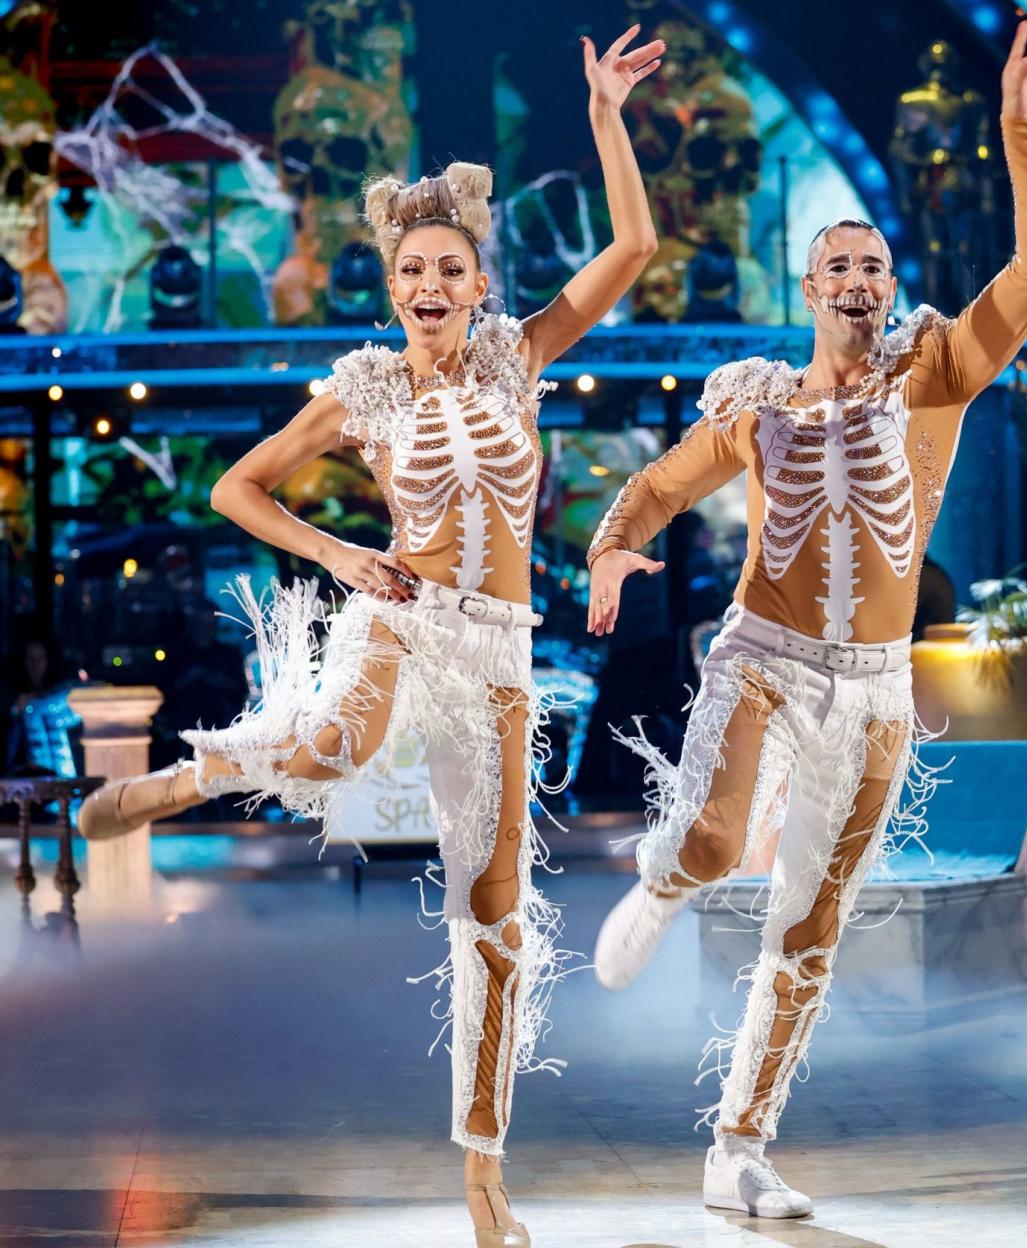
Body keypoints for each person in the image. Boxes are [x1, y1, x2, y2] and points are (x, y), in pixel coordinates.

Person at [79, 26, 662, 1248]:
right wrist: (342, 555)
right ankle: (202, 773)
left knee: (496, 915)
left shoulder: (522, 356)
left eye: (449, 268)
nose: (430, 288)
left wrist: (605, 115)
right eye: (411, 275)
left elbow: (636, 248)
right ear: (394, 287)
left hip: (499, 649)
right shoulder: (367, 388)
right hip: (403, 616)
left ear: (480, 278)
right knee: (340, 745)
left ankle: (483, 1169)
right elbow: (238, 488)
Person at [585, 21, 1027, 1220]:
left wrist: (1018, 133)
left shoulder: (935, 372)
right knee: (712, 846)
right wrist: (609, 547)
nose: (860, 283)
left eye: (875, 268)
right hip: (764, 656)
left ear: (890, 289)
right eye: (839, 269)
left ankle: (737, 1146)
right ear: (810, 291)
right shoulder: (758, 405)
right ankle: (663, 870)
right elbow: (660, 486)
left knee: (811, 928)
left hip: (875, 682)